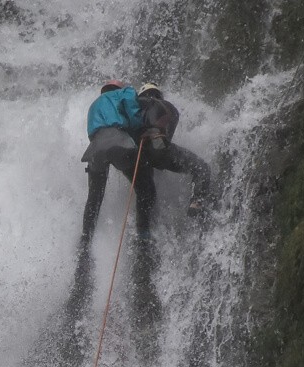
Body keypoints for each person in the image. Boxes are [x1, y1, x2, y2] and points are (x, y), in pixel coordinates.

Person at [78, 79, 154, 246]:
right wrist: (141, 129)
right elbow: (132, 113)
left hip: (95, 148)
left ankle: (85, 238)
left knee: (95, 196)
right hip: (118, 141)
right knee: (144, 187)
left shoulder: (94, 105)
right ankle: (143, 233)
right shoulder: (124, 92)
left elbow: (91, 133)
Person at [134, 83, 216, 219]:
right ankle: (196, 203)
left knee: (147, 190)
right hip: (157, 145)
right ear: (158, 94)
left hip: (137, 153)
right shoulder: (166, 105)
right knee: (202, 168)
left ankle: (146, 225)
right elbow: (167, 137)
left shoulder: (134, 107)